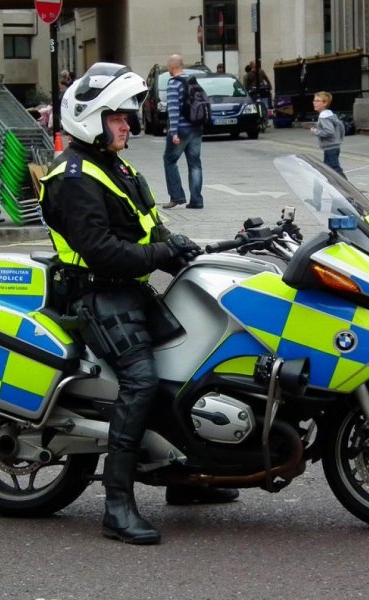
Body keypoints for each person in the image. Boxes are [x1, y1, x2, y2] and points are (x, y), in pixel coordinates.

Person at [39, 63, 238, 546]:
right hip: (96, 295)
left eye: (128, 116)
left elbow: (150, 225)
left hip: (128, 288)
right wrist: (162, 253)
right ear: (91, 117)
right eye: (119, 117)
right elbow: (103, 251)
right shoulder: (73, 178)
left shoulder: (115, 166)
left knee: (190, 364)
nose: (128, 124)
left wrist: (188, 249)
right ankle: (117, 504)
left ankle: (184, 479)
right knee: (142, 379)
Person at [162, 54, 204, 210]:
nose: (168, 70)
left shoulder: (173, 83)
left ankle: (177, 196)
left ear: (173, 67)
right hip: (196, 128)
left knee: (169, 160)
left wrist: (174, 133)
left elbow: (173, 109)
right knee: (195, 164)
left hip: (181, 129)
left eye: (168, 67)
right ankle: (196, 200)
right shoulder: (192, 81)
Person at [310, 91, 347, 179]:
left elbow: (329, 131)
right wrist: (338, 140)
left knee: (335, 169)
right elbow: (341, 127)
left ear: (325, 103)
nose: (314, 103)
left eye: (317, 101)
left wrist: (315, 131)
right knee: (325, 171)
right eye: (314, 101)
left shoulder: (324, 116)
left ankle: (347, 189)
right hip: (333, 146)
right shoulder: (330, 115)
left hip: (330, 147)